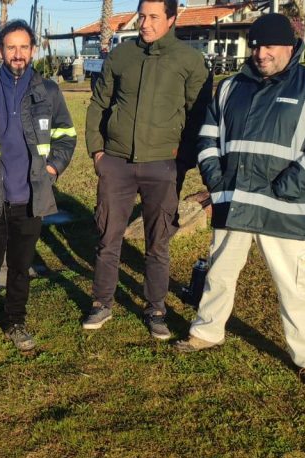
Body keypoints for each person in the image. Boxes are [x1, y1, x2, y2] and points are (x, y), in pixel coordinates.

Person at [172, 13, 305, 392]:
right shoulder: (229, 88)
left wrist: (289, 186)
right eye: (255, 45)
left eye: (269, 45)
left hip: (284, 208)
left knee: (296, 286)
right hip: (234, 202)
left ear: (290, 46)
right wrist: (216, 181)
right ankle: (206, 333)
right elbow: (207, 138)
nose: (261, 53)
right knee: (219, 276)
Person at [82, 0, 211, 338]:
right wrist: (98, 152)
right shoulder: (121, 55)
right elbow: (99, 103)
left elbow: (199, 115)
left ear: (171, 18)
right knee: (108, 237)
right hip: (117, 163)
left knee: (158, 241)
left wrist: (182, 161)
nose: (145, 23)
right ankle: (101, 302)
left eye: (154, 17)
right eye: (142, 16)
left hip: (163, 166)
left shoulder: (189, 60)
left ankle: (155, 308)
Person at [0, 20, 76, 354]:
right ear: (0, 52)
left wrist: (51, 169)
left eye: (24, 47)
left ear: (33, 50)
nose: (17, 54)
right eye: (11, 47)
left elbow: (66, 135)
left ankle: (16, 321)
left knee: (21, 268)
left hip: (30, 197)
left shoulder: (48, 90)